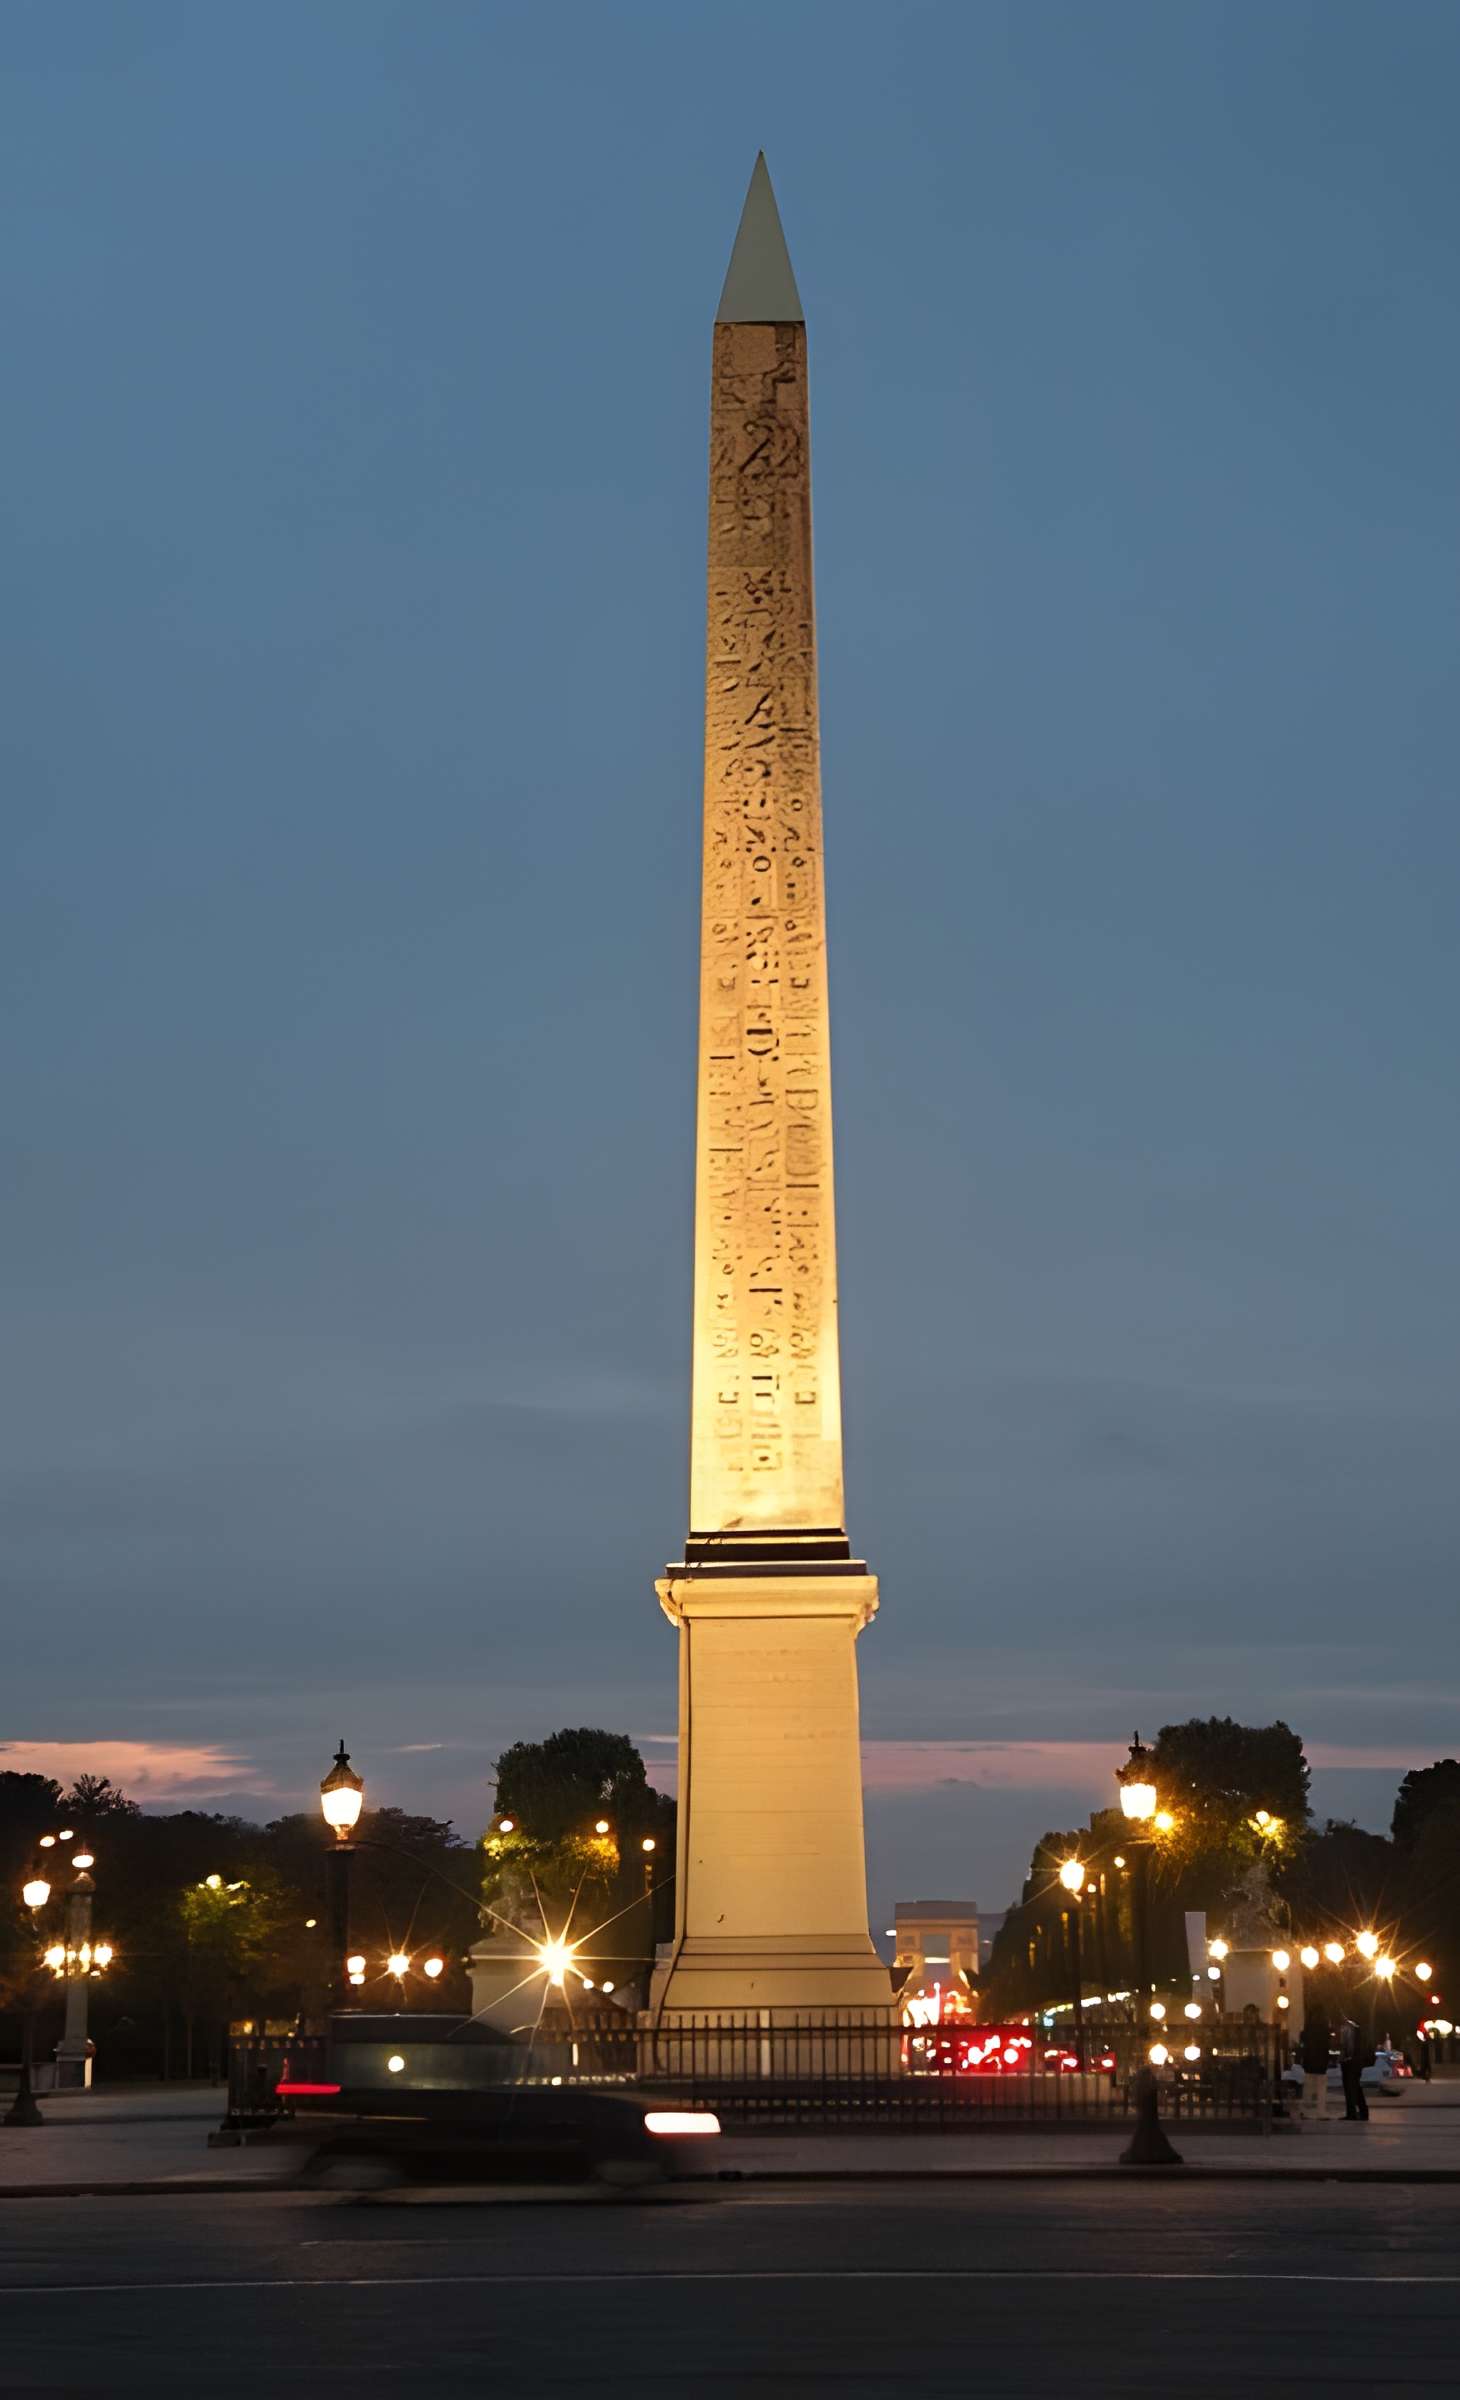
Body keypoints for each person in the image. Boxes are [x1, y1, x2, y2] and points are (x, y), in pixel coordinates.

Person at [1300, 2004, 1330, 2120]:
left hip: (1309, 2062)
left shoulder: (1308, 2027)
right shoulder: (1324, 2028)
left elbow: (1303, 2039)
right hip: (1321, 2062)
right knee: (1321, 2088)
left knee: (1308, 2088)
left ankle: (1305, 2111)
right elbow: (1326, 2045)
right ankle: (1321, 2112)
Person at [1339, 2015, 1369, 2121]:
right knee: (1355, 2087)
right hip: (1356, 2062)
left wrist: (1345, 2057)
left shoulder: (1347, 2027)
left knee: (1350, 2087)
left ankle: (1352, 2113)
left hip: (1350, 2062)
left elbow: (1348, 2046)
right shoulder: (1356, 2027)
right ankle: (1362, 2112)